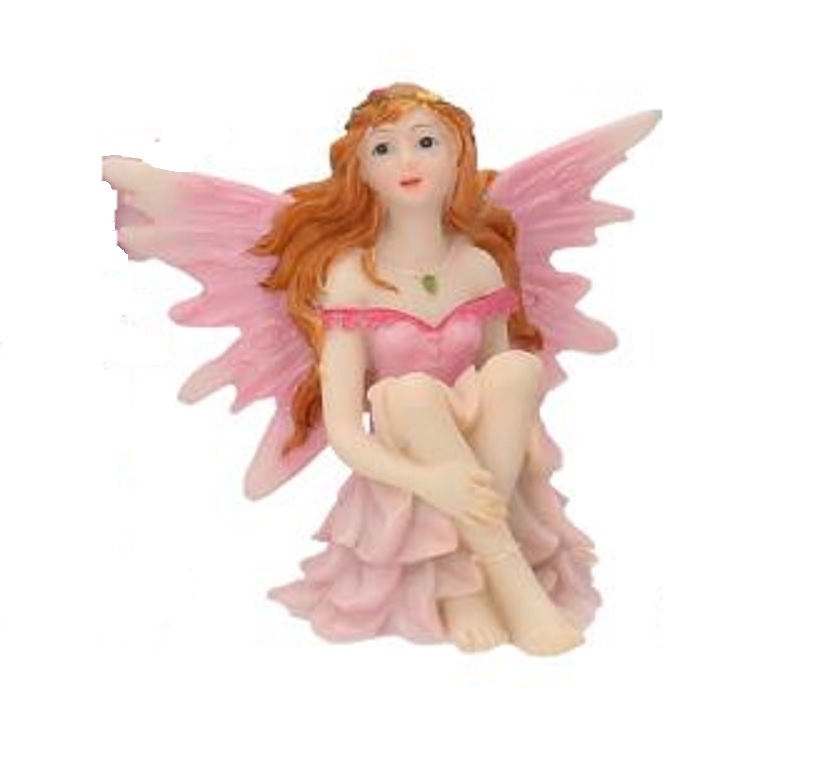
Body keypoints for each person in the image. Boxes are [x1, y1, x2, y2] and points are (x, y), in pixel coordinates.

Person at [103, 82, 659, 656]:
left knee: (517, 368)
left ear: (459, 156)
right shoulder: (351, 278)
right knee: (411, 393)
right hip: (409, 465)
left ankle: (472, 574)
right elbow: (346, 431)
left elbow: (501, 387)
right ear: (362, 172)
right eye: (384, 149)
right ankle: (502, 585)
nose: (407, 161)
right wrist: (432, 481)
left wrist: (526, 459)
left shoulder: (479, 265)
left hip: (485, 462)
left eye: (426, 142)